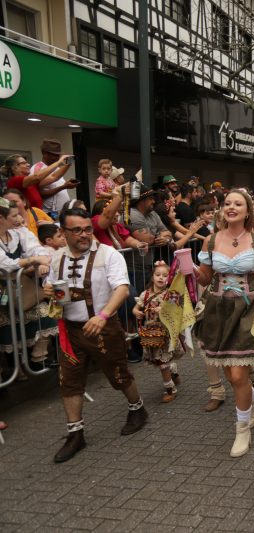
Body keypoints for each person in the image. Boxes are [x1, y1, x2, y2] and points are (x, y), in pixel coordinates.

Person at [44, 207, 148, 463]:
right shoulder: (57, 259)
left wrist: (102, 316)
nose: (84, 234)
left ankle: (138, 409)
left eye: (87, 229)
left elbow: (122, 289)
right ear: (63, 232)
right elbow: (53, 292)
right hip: (70, 331)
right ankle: (75, 434)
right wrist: (47, 293)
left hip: (104, 327)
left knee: (119, 374)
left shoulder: (108, 254)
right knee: (69, 381)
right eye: (76, 230)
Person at [194, 190, 254, 456]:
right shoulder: (211, 241)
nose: (231, 207)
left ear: (248, 210)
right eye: (227, 203)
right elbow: (204, 278)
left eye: (238, 203)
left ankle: (242, 430)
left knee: (238, 374)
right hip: (218, 308)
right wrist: (188, 271)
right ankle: (252, 399)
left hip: (248, 309)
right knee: (229, 372)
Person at [0, 199, 56, 372]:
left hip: (20, 289)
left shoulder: (19, 233)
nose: (19, 219)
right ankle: (11, 372)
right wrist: (32, 261)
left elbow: (38, 250)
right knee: (5, 330)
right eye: (14, 216)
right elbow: (5, 264)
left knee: (45, 316)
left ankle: (37, 357)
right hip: (2, 293)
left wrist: (41, 261)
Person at [132, 261, 184, 402]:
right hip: (151, 333)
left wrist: (164, 310)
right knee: (160, 360)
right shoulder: (145, 294)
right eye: (158, 275)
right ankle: (173, 371)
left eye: (165, 275)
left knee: (161, 362)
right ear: (152, 276)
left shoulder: (171, 294)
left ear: (170, 278)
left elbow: (178, 311)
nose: (161, 278)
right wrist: (137, 312)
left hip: (166, 332)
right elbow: (136, 308)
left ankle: (170, 389)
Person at [1, 152, 71, 210]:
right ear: (15, 167)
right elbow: (37, 177)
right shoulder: (14, 181)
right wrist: (59, 162)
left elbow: (54, 177)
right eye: (24, 163)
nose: (28, 164)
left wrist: (69, 162)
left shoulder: (30, 181)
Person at [30, 139, 78, 217]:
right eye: (55, 155)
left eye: (59, 154)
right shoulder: (38, 168)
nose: (58, 157)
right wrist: (63, 187)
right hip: (49, 213)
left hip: (61, 212)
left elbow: (55, 178)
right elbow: (38, 193)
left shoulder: (56, 168)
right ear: (45, 153)